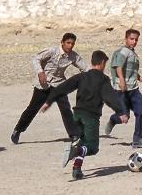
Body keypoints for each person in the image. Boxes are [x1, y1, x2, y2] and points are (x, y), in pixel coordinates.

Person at [41, 50, 129, 180]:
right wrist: (120, 112)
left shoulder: (82, 76)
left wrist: (49, 101)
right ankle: (74, 152)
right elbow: (109, 96)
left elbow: (63, 87)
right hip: (91, 117)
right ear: (103, 63)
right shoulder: (103, 79)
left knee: (83, 143)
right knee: (92, 147)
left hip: (77, 115)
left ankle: (77, 169)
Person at [11, 33, 88, 144]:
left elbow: (85, 67)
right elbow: (36, 59)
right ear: (62, 42)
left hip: (59, 84)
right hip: (43, 84)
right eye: (68, 43)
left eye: (72, 44)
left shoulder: (73, 56)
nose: (70, 46)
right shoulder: (52, 51)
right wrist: (40, 72)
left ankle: (74, 135)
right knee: (32, 109)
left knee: (66, 109)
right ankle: (18, 129)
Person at [104, 29, 142, 148]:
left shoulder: (133, 53)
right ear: (126, 39)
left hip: (134, 89)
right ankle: (113, 120)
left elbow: (132, 73)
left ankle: (137, 140)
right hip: (121, 90)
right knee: (124, 118)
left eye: (136, 39)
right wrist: (122, 81)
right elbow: (118, 67)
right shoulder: (123, 51)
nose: (134, 41)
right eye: (131, 39)